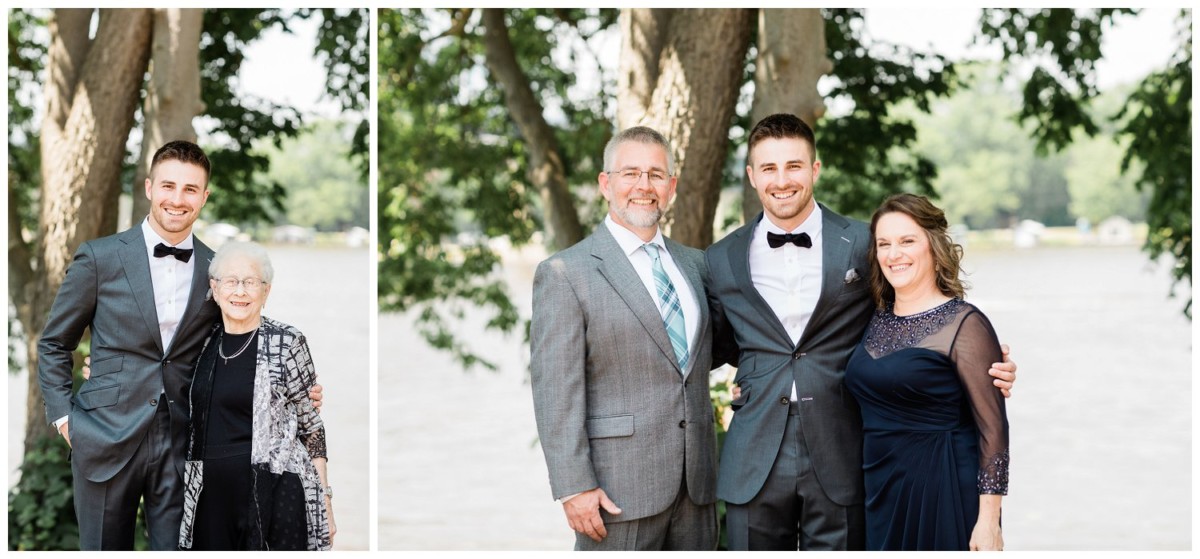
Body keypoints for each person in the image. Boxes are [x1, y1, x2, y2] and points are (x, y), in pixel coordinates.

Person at [706, 114, 1017, 550]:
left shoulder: (864, 242)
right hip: (754, 454)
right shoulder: (721, 258)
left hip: (844, 450)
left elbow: (916, 315)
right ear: (751, 175)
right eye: (769, 168)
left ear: (814, 170)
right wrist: (752, 377)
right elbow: (721, 343)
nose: (782, 180)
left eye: (794, 165)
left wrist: (983, 365)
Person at [37, 140, 321, 550]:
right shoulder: (99, 258)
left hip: (184, 444)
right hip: (103, 435)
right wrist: (66, 420)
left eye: (190, 189)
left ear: (204, 197)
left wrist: (294, 387)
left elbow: (237, 343)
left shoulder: (215, 269)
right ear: (150, 188)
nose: (177, 199)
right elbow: (53, 343)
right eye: (169, 186)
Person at [530, 126, 718, 551]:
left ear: (671, 186)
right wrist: (574, 486)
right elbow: (556, 390)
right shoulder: (566, 273)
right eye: (630, 173)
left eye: (655, 175)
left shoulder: (697, 265)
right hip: (615, 493)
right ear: (606, 184)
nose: (643, 186)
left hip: (698, 489)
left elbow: (712, 352)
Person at [844, 194, 1007, 550]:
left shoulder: (965, 324)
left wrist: (989, 521)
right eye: (884, 244)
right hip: (880, 489)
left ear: (932, 246)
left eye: (907, 241)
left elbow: (993, 430)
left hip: (943, 484)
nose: (893, 254)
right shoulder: (874, 318)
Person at [177, 242, 334, 550]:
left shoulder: (287, 342)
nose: (240, 292)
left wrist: (325, 501)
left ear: (266, 291)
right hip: (209, 496)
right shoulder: (199, 343)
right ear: (215, 287)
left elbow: (312, 427)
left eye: (251, 282)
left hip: (278, 493)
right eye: (231, 281)